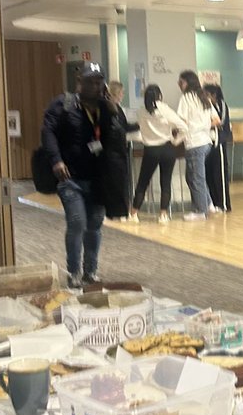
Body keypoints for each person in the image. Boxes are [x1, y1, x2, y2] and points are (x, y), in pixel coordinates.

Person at [41, 61, 114, 286]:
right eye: (91, 81)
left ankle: (90, 271)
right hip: (70, 178)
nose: (95, 86)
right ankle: (73, 272)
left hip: (98, 179)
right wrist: (56, 160)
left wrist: (113, 110)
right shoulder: (63, 104)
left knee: (94, 226)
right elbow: (48, 131)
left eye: (99, 82)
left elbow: (118, 134)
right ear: (79, 81)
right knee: (77, 222)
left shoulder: (105, 108)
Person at [130, 84, 186, 223]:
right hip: (167, 148)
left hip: (151, 150)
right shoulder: (165, 109)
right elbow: (183, 127)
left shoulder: (141, 111)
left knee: (143, 181)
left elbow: (140, 129)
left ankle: (134, 213)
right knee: (165, 182)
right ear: (160, 96)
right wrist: (175, 141)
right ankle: (163, 215)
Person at [177, 70, 220, 220]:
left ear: (188, 83)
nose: (179, 84)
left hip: (194, 143)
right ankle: (209, 204)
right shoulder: (204, 97)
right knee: (194, 177)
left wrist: (193, 127)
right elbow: (217, 120)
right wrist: (204, 126)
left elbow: (181, 121)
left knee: (195, 178)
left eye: (181, 82)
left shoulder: (186, 98)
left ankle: (200, 211)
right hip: (206, 142)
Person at [102, 79, 133, 221]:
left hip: (118, 151)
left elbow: (125, 127)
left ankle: (119, 211)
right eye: (121, 92)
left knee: (120, 182)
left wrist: (141, 125)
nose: (123, 95)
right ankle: (114, 211)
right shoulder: (107, 109)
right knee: (115, 182)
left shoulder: (118, 108)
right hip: (111, 151)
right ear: (116, 93)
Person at [204, 82, 232, 212]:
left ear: (214, 95)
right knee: (209, 174)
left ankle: (223, 204)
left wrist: (204, 124)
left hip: (219, 142)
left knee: (219, 174)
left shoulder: (222, 105)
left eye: (207, 94)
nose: (205, 97)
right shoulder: (206, 106)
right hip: (208, 143)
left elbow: (220, 122)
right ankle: (214, 203)